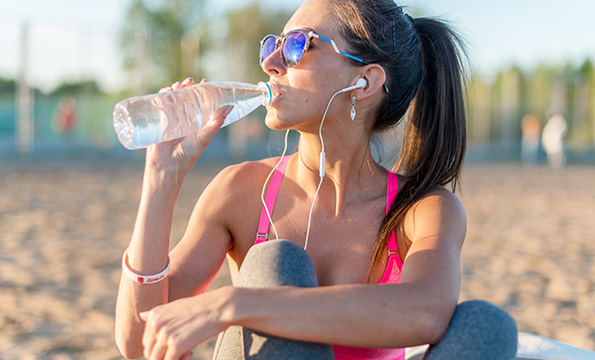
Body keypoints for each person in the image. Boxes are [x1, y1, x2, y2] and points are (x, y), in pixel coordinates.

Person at [115, 0, 518, 359]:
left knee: (488, 325)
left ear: (367, 81)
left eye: (297, 45)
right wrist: (161, 177)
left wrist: (235, 304)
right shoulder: (241, 191)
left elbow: (427, 311)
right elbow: (139, 341)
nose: (271, 63)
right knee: (276, 262)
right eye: (271, 44)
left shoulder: (421, 210)